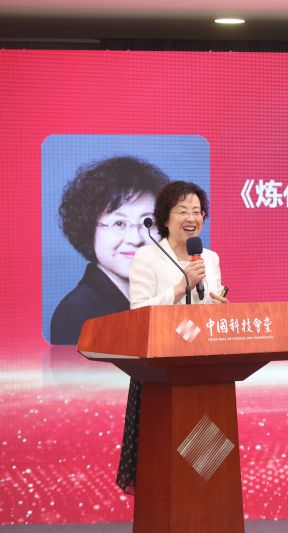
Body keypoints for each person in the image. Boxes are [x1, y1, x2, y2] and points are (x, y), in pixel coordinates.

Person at [118, 181, 228, 494]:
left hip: (203, 365)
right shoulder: (147, 257)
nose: (191, 217)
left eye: (197, 211)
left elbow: (209, 304)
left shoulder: (209, 258)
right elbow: (138, 313)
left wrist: (220, 309)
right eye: (182, 211)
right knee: (164, 455)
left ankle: (201, 499)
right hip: (160, 369)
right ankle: (164, 499)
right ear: (165, 219)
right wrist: (181, 287)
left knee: (203, 458)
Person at [50, 156, 170, 345]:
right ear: (90, 229)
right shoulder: (77, 313)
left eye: (148, 223)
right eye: (119, 223)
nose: (135, 239)